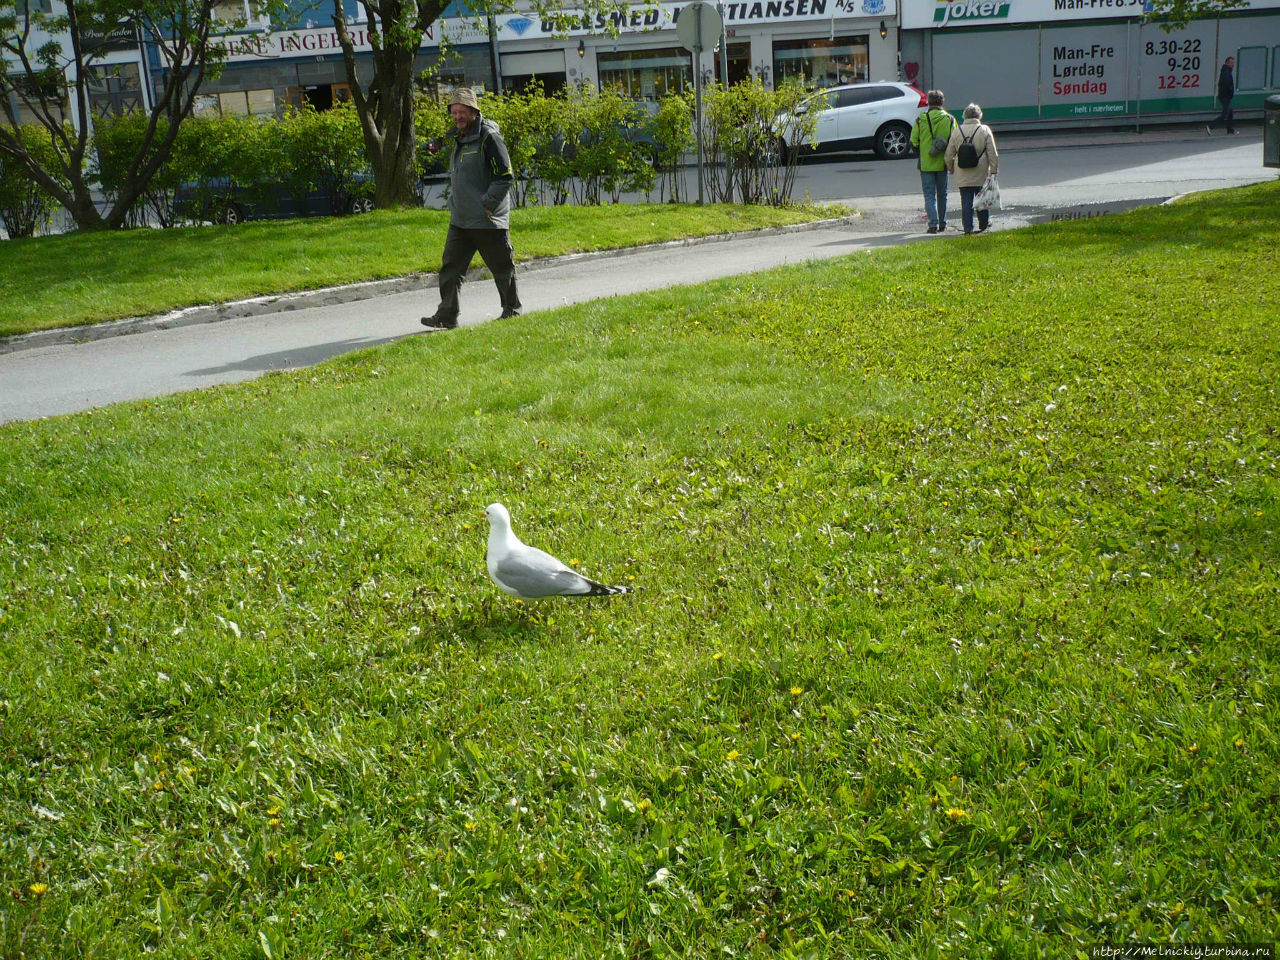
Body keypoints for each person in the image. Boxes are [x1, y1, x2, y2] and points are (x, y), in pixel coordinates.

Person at [421, 87, 521, 330]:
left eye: (462, 112)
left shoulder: (489, 138)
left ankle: (511, 310)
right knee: (450, 268)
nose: (457, 117)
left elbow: (505, 176)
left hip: (487, 219)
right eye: (454, 112)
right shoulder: (459, 136)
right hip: (461, 218)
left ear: (474, 112)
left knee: (501, 268)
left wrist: (488, 203)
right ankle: (447, 314)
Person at [945, 103, 999, 235]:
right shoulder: (984, 130)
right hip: (980, 171)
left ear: (964, 116)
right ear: (979, 115)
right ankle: (983, 224)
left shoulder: (957, 131)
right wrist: (993, 170)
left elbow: (948, 154)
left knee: (966, 200)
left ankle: (968, 228)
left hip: (962, 171)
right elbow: (993, 153)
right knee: (982, 199)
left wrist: (950, 167)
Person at [910, 89, 957, 234]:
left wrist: (922, 153)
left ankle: (933, 224)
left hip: (926, 164)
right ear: (942, 102)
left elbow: (913, 141)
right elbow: (955, 140)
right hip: (943, 163)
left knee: (929, 195)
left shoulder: (920, 119)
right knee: (942, 194)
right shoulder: (949, 119)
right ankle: (943, 223)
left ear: (928, 103)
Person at [1206, 57, 1236, 136]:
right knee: (1225, 114)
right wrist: (1230, 92)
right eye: (1231, 63)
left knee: (1230, 113)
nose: (1233, 64)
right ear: (1227, 63)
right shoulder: (1226, 72)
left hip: (1225, 96)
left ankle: (1230, 130)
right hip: (1225, 96)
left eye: (1233, 63)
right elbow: (1227, 84)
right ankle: (1210, 126)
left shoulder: (1226, 70)